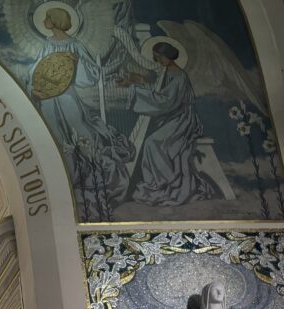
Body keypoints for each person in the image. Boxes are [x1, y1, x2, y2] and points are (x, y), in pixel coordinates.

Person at [29, 7, 132, 213]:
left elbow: (91, 75)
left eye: (48, 17)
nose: (45, 21)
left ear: (56, 20)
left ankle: (90, 180)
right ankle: (63, 180)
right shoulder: (47, 44)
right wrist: (35, 87)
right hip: (47, 100)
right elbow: (36, 71)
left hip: (67, 97)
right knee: (54, 136)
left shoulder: (75, 45)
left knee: (82, 132)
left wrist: (78, 63)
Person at [122, 41, 214, 206]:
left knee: (152, 142)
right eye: (156, 57)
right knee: (152, 142)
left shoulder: (180, 77)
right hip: (172, 116)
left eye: (160, 57)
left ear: (169, 55)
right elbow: (160, 91)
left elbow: (165, 101)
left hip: (183, 118)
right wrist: (139, 81)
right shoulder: (167, 72)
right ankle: (159, 181)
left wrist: (135, 90)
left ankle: (164, 183)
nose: (158, 61)